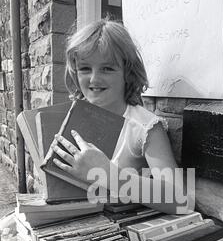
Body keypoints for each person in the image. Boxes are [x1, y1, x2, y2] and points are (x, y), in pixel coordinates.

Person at [52, 18, 194, 214]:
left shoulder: (144, 127)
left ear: (127, 72)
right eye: (85, 68)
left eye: (107, 68)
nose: (94, 79)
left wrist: (107, 174)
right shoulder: (69, 117)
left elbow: (182, 200)